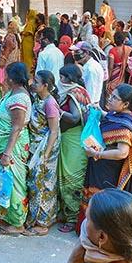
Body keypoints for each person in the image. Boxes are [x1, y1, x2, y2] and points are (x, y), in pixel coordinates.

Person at [81, 84, 132, 228]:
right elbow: (110, 118)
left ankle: (99, 230)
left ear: (125, 104)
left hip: (109, 170)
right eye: (111, 95)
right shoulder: (116, 115)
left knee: (103, 200)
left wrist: (97, 154)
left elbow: (122, 152)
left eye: (115, 98)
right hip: (100, 164)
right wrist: (100, 112)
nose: (110, 99)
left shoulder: (124, 126)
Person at [0, 62, 32, 236]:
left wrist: (7, 153)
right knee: (5, 180)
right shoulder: (12, 93)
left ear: (12, 77)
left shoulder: (19, 99)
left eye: (6, 75)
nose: (4, 78)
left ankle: (17, 223)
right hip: (5, 143)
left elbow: (16, 127)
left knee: (14, 182)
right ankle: (9, 216)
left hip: (12, 146)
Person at [24, 70, 61, 236]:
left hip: (46, 147)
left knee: (45, 184)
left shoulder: (49, 103)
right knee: (35, 183)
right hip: (36, 144)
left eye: (37, 82)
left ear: (45, 85)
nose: (33, 84)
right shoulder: (38, 99)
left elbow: (53, 131)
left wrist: (45, 155)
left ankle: (43, 222)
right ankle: (34, 218)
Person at [57, 64, 92, 233]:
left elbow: (74, 117)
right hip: (75, 138)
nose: (60, 80)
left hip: (73, 139)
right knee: (70, 176)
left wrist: (58, 111)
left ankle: (72, 218)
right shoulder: (81, 91)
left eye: (62, 77)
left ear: (68, 79)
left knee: (70, 178)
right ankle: (68, 214)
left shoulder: (72, 93)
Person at [70, 41, 104, 106]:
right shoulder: (91, 65)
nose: (74, 54)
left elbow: (90, 92)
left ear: (87, 53)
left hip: (90, 105)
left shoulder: (90, 69)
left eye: (77, 52)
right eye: (74, 52)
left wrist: (88, 106)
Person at [106, 32, 132, 96]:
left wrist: (108, 80)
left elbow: (110, 67)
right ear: (123, 40)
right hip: (124, 76)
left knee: (110, 92)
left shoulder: (112, 51)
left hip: (114, 76)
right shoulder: (129, 49)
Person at [0, 19, 21, 84]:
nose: (9, 26)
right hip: (13, 58)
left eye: (11, 25)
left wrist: (3, 59)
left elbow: (8, 48)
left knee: (6, 75)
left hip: (8, 58)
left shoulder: (10, 36)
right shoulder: (16, 36)